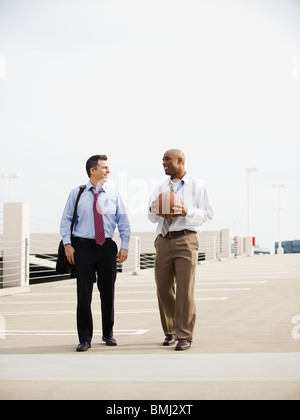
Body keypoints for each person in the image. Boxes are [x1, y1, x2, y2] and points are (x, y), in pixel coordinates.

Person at [60, 155, 130, 352]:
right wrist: (67, 244)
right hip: (83, 247)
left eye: (108, 167)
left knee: (108, 292)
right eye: (105, 167)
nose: (108, 171)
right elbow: (66, 220)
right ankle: (84, 338)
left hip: (107, 247)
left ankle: (108, 334)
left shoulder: (114, 194)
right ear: (93, 170)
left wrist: (124, 245)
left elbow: (123, 222)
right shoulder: (77, 193)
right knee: (83, 294)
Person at [148, 149, 213, 351]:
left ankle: (184, 335)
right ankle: (170, 331)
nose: (163, 163)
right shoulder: (160, 187)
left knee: (185, 290)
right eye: (162, 160)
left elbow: (208, 214)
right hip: (163, 240)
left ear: (180, 161)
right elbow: (150, 217)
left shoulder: (197, 186)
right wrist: (155, 209)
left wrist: (187, 211)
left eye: (167, 160)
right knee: (163, 287)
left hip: (186, 239)